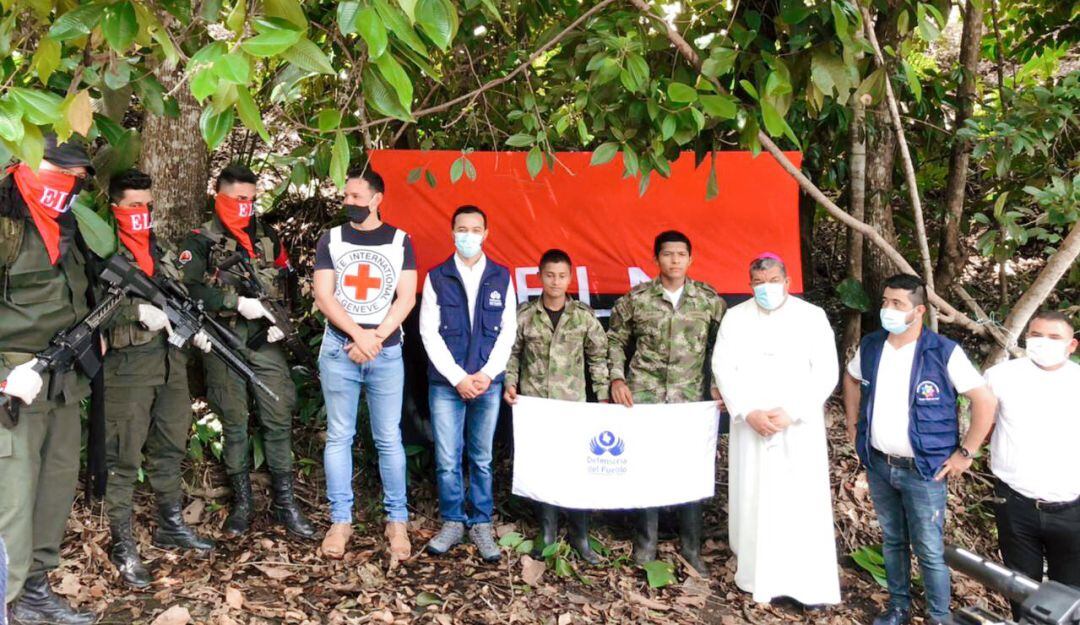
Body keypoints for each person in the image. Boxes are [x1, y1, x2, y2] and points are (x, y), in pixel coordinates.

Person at [843, 274, 997, 625]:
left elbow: (983, 399)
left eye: (898, 304)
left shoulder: (942, 351)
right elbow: (851, 379)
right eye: (885, 302)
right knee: (893, 540)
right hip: (880, 463)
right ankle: (898, 607)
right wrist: (853, 426)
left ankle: (938, 616)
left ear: (919, 311)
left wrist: (966, 452)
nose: (888, 309)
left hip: (924, 469)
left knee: (928, 549)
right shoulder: (871, 345)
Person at [179, 164, 315, 539]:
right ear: (218, 195)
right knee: (235, 421)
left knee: (278, 414)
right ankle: (242, 505)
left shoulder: (267, 237)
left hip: (263, 339)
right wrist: (235, 301)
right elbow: (185, 290)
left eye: (252, 200)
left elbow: (288, 280)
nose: (245, 206)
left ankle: (286, 503)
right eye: (239, 199)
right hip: (223, 338)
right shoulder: (199, 242)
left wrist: (284, 322)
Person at [100, 169, 215, 588]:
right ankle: (123, 544)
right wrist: (134, 312)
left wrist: (192, 327)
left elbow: (177, 297)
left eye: (147, 206)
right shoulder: (100, 247)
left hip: (170, 364)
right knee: (123, 458)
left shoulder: (161, 249)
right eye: (133, 206)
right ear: (115, 207)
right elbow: (85, 306)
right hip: (127, 369)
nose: (141, 214)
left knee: (170, 444)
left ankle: (169, 523)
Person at [0, 135, 97, 624]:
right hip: (13, 384)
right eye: (61, 172)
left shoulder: (67, 227)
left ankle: (35, 591)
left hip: (61, 382)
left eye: (77, 176)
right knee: (10, 504)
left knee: (54, 490)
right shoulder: (6, 226)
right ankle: (5, 601)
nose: (70, 184)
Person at [712, 253, 841, 607]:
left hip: (797, 428)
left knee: (801, 501)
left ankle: (807, 586)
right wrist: (747, 411)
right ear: (749, 284)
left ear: (786, 281)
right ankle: (756, 578)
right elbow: (723, 367)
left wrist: (792, 412)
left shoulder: (812, 317)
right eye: (757, 282)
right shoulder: (735, 318)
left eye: (772, 280)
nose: (765, 288)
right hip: (751, 426)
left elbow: (826, 371)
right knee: (754, 497)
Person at [313, 167, 417, 561]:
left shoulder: (400, 240)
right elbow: (325, 296)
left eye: (356, 197)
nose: (349, 203)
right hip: (341, 350)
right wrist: (359, 335)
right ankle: (341, 520)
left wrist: (375, 338)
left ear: (377, 199)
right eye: (346, 196)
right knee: (339, 436)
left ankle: (397, 522)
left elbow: (405, 298)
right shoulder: (332, 239)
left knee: (388, 438)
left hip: (385, 351)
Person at [607, 230, 725, 576]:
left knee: (691, 471)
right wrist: (617, 378)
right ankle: (646, 544)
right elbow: (614, 339)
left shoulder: (707, 300)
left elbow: (727, 345)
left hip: (690, 400)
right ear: (655, 258)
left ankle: (691, 547)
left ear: (691, 259)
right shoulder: (638, 298)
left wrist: (718, 384)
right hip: (644, 397)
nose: (674, 260)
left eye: (680, 254)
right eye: (667, 254)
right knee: (648, 468)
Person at [419, 205, 516, 562]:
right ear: (452, 232)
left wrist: (487, 375)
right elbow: (428, 333)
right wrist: (458, 377)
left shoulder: (501, 277)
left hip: (488, 383)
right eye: (462, 229)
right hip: (446, 384)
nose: (469, 235)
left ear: (486, 234)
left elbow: (508, 332)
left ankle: (480, 523)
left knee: (482, 457)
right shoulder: (437, 277)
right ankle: (452, 521)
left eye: (476, 229)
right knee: (447, 458)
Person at [504, 249, 609, 565]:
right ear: (539, 276)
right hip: (534, 405)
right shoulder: (524, 315)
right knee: (542, 468)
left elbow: (598, 357)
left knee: (576, 470)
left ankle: (580, 534)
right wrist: (510, 381)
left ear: (571, 277)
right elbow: (512, 353)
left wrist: (603, 395)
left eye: (562, 275)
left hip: (571, 407)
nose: (555, 281)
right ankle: (547, 532)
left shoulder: (583, 316)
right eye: (550, 275)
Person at [985, 310, 1080, 620]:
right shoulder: (1001, 376)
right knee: (1021, 587)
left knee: (1069, 594)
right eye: (1036, 335)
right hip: (1015, 503)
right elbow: (985, 426)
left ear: (1072, 345)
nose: (1043, 342)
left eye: (1054, 338)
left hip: (1071, 508)